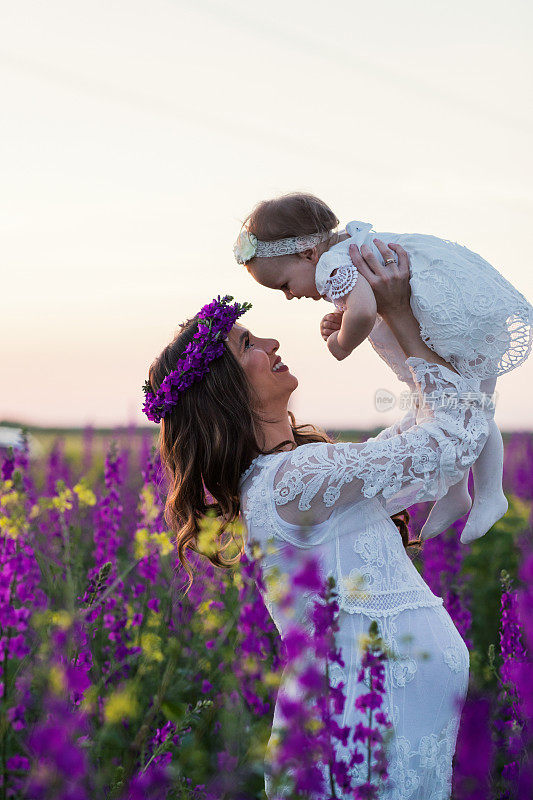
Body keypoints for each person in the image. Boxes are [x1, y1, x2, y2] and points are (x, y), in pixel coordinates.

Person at [142, 244, 493, 799]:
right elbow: (452, 436)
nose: (272, 342)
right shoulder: (291, 481)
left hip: (382, 726)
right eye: (248, 346)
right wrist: (397, 316)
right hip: (363, 730)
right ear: (226, 392)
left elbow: (426, 435)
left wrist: (382, 316)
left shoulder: (296, 476)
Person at [233, 192, 533, 543]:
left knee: (471, 407)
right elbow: (366, 303)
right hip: (464, 316)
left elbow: (362, 312)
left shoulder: (331, 265)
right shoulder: (349, 248)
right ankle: (460, 492)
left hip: (453, 328)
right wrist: (346, 314)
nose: (288, 295)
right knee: (468, 405)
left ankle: (485, 495)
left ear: (307, 253)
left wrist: (340, 343)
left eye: (284, 284)